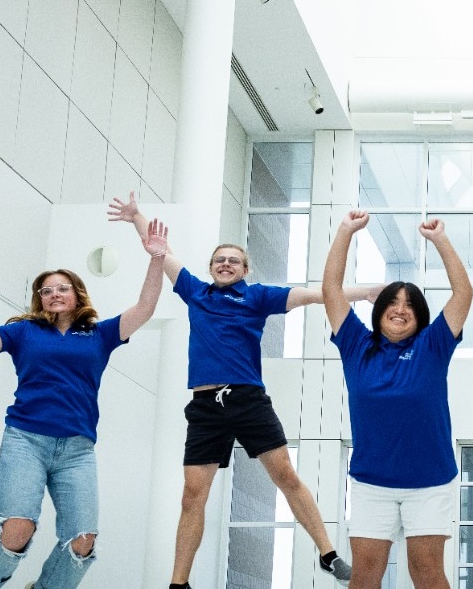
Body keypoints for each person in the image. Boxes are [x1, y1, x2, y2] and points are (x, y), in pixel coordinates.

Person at [106, 193, 379, 588]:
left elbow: (317, 294)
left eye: (233, 260)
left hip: (247, 398)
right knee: (192, 495)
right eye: (220, 260)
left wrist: (365, 291)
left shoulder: (257, 296)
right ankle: (178, 583)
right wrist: (135, 218)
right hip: (205, 406)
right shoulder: (196, 292)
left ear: (245, 269)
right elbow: (161, 252)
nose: (226, 264)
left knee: (285, 475)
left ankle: (328, 554)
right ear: (211, 268)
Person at [0, 221, 169, 589]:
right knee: (17, 528)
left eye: (62, 288)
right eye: (46, 290)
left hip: (78, 450)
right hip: (26, 440)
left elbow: (145, 308)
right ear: (40, 298)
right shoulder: (24, 332)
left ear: (77, 294)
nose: (54, 294)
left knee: (82, 541)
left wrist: (157, 259)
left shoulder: (101, 334)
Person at [323, 210, 472, 589]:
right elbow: (331, 290)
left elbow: (463, 294)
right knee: (365, 576)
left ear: (419, 316)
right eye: (393, 301)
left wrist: (440, 240)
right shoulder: (356, 344)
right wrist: (345, 232)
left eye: (409, 303)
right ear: (380, 311)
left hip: (429, 482)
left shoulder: (433, 345)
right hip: (372, 482)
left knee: (426, 573)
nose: (400, 308)